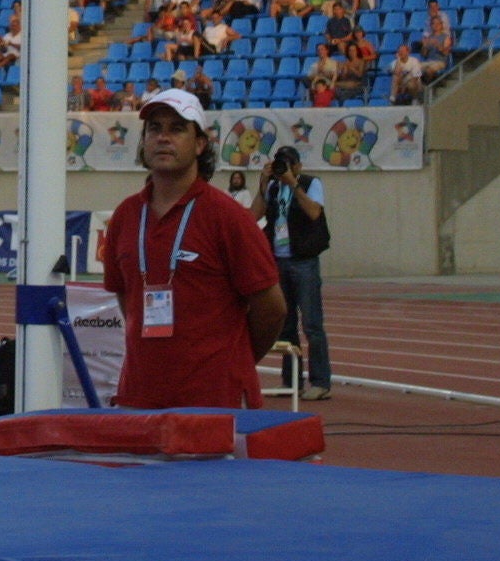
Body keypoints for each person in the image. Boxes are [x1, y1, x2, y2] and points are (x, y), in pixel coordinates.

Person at [97, 89, 286, 409]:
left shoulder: (228, 218)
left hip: (216, 401)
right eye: (154, 128)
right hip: (141, 399)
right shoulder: (125, 217)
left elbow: (272, 308)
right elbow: (126, 298)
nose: (163, 137)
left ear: (200, 144)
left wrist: (233, 359)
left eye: (177, 128)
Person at [251, 147, 332, 400]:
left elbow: (314, 212)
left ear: (298, 166)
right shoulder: (274, 188)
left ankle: (320, 382)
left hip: (304, 261)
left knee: (312, 324)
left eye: (288, 165)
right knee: (285, 325)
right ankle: (291, 381)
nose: (283, 169)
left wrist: (294, 185)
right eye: (280, 165)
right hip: (279, 261)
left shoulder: (310, 183)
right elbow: (254, 215)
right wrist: (263, 184)